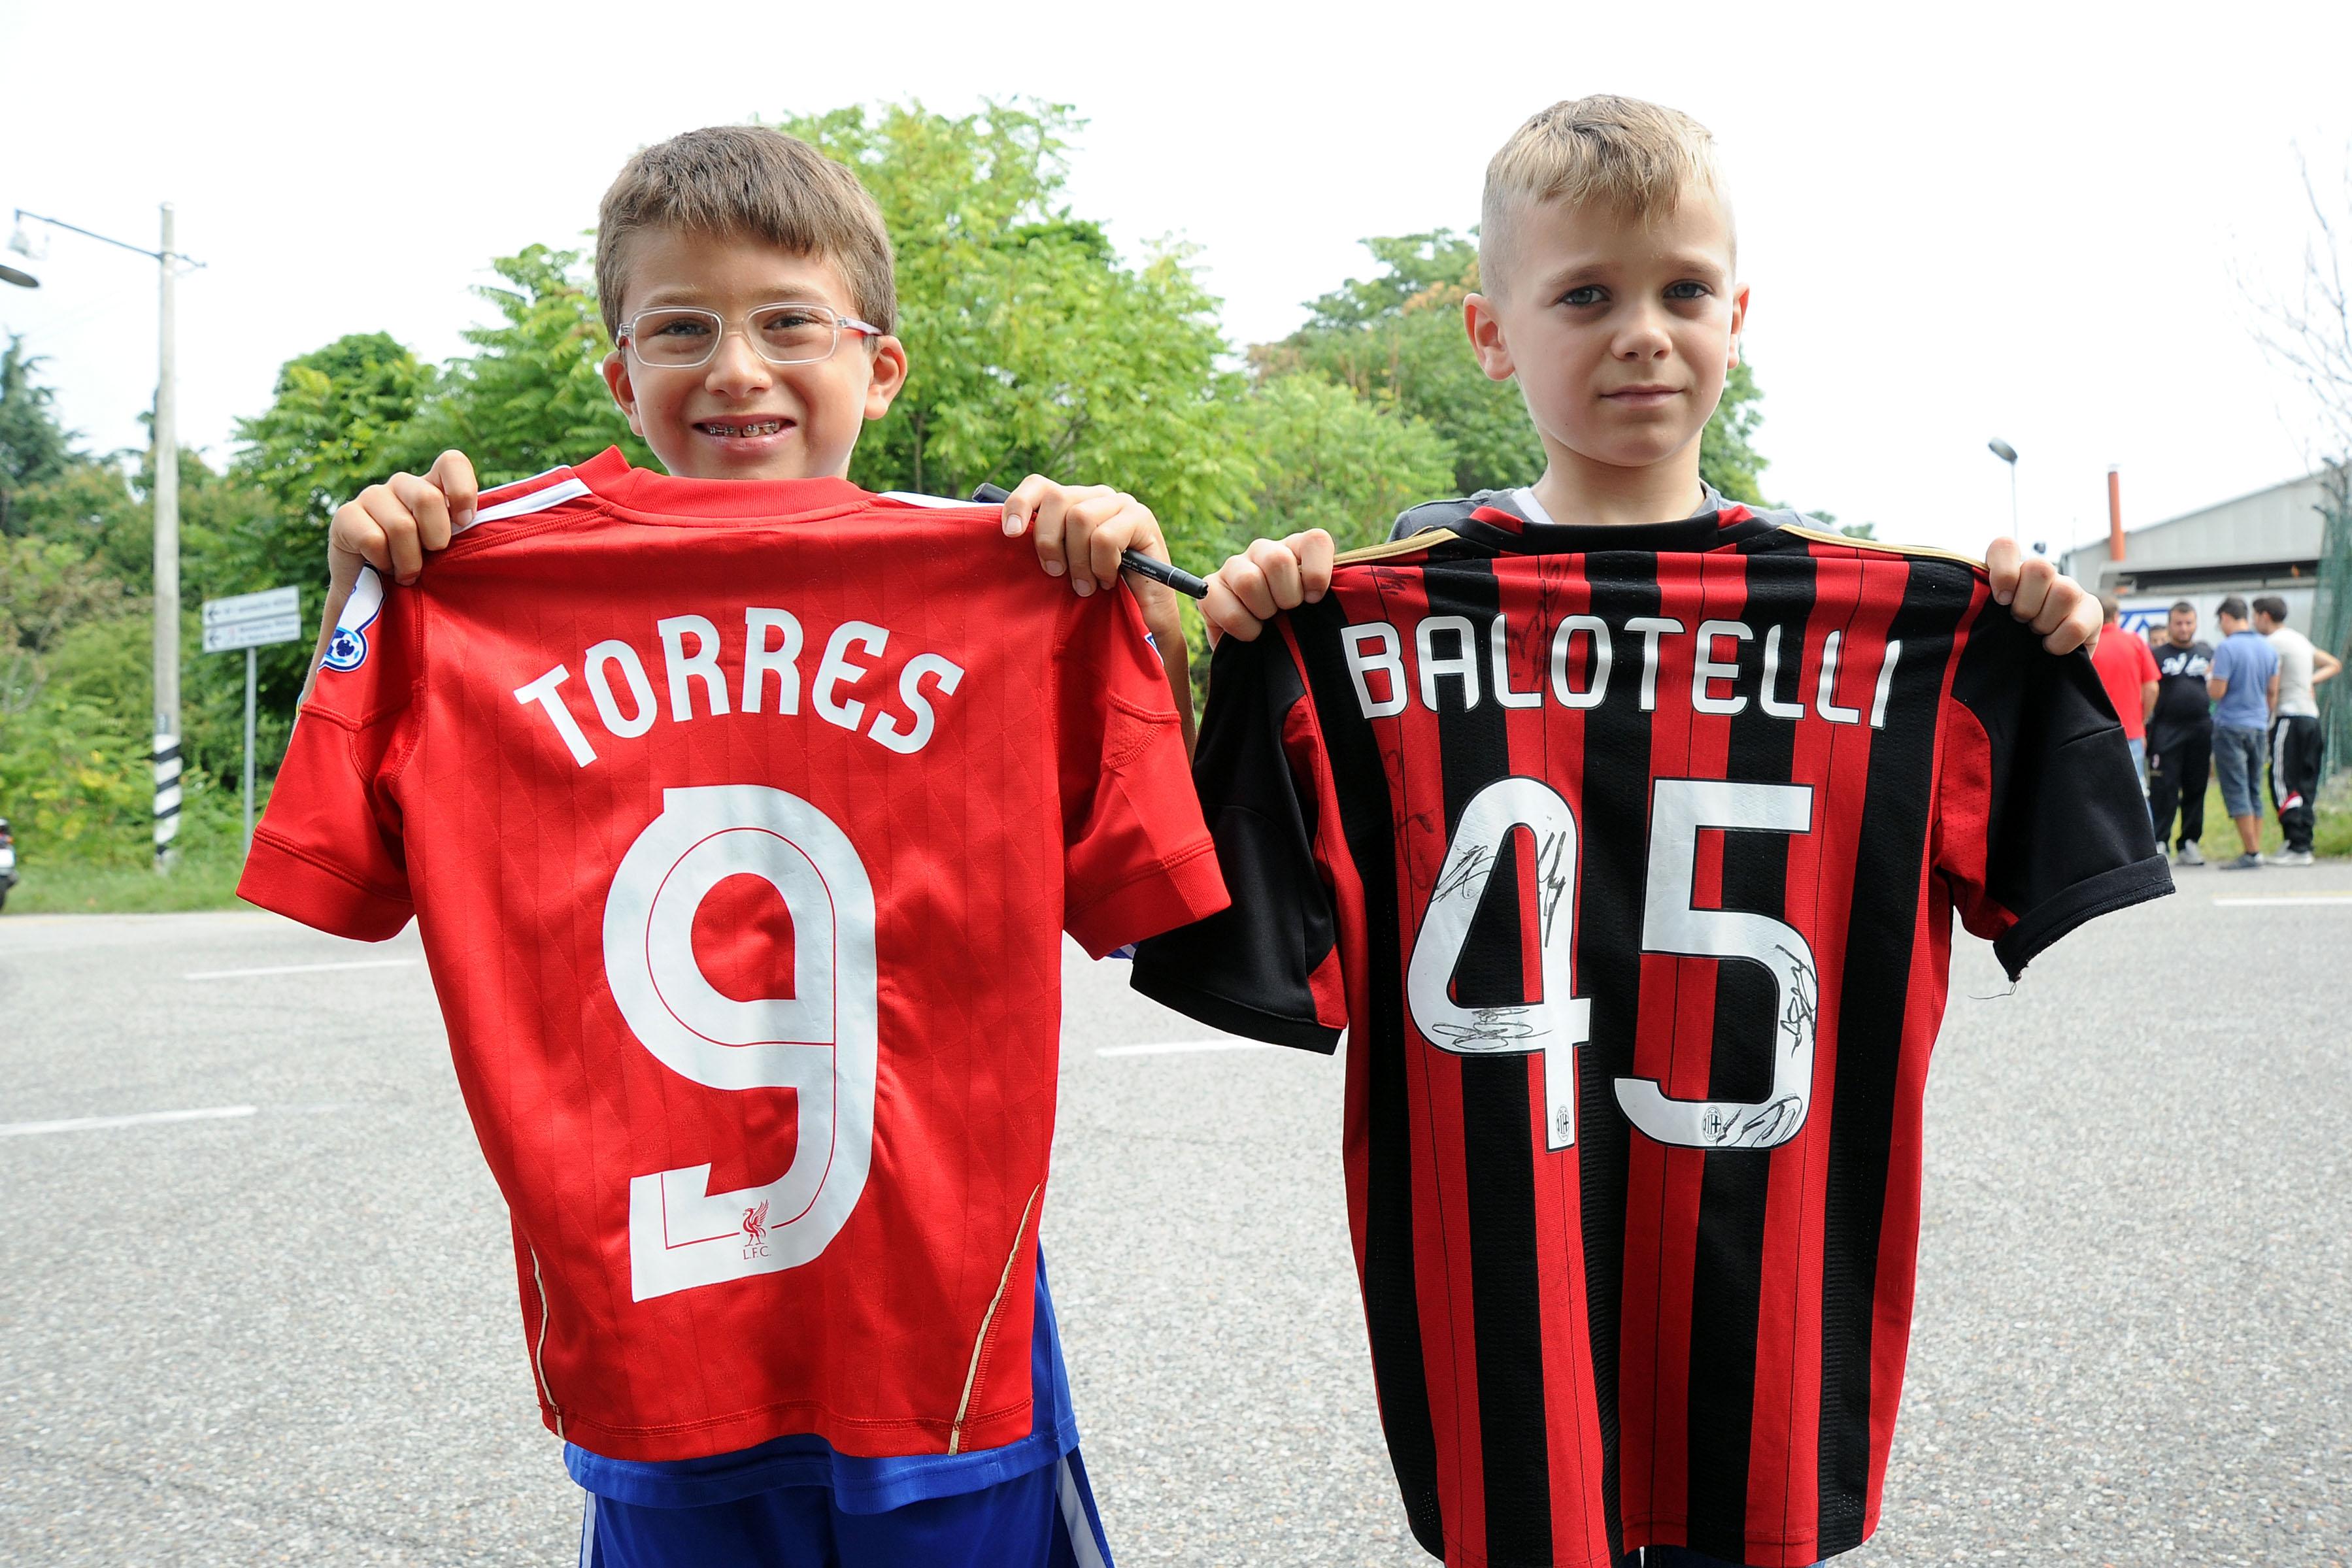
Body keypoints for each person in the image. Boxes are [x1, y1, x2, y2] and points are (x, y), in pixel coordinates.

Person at [1137, 95, 2126, 1568]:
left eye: (1679, 290)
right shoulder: (1339, 622)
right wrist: (1247, 634)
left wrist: (2063, 635)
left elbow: (2079, 754)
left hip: (1764, 1269)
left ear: (1738, 311)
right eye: (1583, 294)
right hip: (1495, 1288)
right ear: (1489, 330)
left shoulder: (1912, 623)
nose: (1641, 332)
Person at [273, 125, 1228, 1568]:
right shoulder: (466, 572)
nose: (735, 367)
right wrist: (366, 599)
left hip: (938, 1321)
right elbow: (347, 854)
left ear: (879, 364)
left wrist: (1136, 621)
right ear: (617, 374)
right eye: (681, 326)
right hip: (655, 1327)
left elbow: (1162, 887)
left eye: (789, 320)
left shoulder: (1014, 567)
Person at [2255, 594, 2340, 865]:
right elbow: (2334, 664)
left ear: (2265, 616)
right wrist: (2308, 681)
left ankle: (2296, 844)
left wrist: (2267, 714)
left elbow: (2273, 684)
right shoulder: (2299, 639)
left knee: (2282, 780)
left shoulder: (2272, 643)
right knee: (2305, 781)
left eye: (2255, 616)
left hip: (2289, 717)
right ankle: (2303, 843)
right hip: (2311, 718)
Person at [2206, 595, 2281, 871]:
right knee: (2253, 787)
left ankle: (2251, 852)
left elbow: (2217, 692)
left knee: (2236, 787)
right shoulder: (2268, 647)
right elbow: (2272, 691)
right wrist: (2265, 716)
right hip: (2259, 725)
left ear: (2226, 617)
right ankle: (2255, 849)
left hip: (2231, 726)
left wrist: (2208, 678)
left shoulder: (2226, 649)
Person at [2146, 601, 2215, 865]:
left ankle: (2189, 842)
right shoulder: (2157, 654)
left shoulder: (2208, 652)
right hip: (2166, 729)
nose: (2184, 628)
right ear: (2170, 624)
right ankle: (2160, 840)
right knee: (2164, 786)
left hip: (2200, 728)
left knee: (2196, 786)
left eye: (2189, 623)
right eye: (2178, 623)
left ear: (2195, 623)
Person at [2089, 593, 2160, 788]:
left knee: (2099, 792)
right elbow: (2152, 688)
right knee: (2137, 792)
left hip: (2094, 732)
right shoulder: (2135, 642)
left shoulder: (2085, 646)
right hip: (2131, 730)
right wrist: (2141, 720)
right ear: (2117, 615)